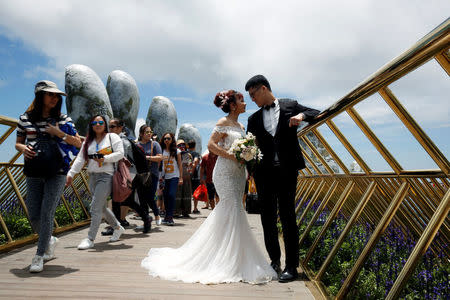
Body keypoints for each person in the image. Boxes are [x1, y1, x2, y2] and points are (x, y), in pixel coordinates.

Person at [141, 89, 276, 284]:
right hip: (224, 172)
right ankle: (225, 258)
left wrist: (248, 156)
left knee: (235, 208)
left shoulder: (240, 125)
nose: (245, 103)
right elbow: (212, 145)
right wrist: (232, 155)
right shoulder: (223, 123)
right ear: (232, 105)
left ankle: (235, 255)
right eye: (241, 100)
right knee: (231, 207)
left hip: (238, 173)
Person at [246, 75, 320, 282]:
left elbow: (316, 113)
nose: (252, 99)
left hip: (287, 172)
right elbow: (251, 148)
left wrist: (302, 117)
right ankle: (275, 261)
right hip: (263, 174)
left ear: (263, 89)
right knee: (267, 219)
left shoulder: (290, 105)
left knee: (288, 218)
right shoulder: (252, 119)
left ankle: (291, 266)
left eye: (253, 94)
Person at [15, 80, 82, 273]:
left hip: (57, 170)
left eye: (56, 95)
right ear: (40, 96)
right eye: (50, 94)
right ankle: (49, 239)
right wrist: (23, 148)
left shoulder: (63, 118)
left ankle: (39, 255)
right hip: (34, 168)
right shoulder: (25, 118)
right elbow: (18, 142)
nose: (55, 98)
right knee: (33, 213)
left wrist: (58, 132)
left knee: (47, 212)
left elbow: (78, 143)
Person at [66, 115, 126, 250]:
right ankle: (117, 227)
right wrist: (71, 174)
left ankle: (90, 238)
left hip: (106, 176)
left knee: (94, 207)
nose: (98, 124)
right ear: (91, 125)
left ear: (104, 124)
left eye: (100, 122)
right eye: (95, 122)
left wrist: (104, 158)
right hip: (92, 176)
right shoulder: (88, 140)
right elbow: (81, 159)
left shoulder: (112, 137)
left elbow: (120, 153)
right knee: (102, 207)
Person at [104, 119, 151, 234]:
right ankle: (146, 220)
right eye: (109, 127)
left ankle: (115, 227)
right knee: (127, 201)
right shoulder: (118, 140)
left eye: (113, 126)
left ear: (120, 127)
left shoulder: (122, 141)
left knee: (117, 199)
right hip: (126, 173)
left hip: (126, 173)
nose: (110, 129)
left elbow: (121, 159)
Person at [137, 125, 163, 227]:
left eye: (150, 132)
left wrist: (146, 157)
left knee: (150, 197)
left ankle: (157, 215)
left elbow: (160, 158)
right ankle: (146, 221)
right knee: (142, 199)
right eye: (146, 132)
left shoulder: (154, 144)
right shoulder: (137, 145)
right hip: (139, 175)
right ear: (141, 134)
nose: (149, 134)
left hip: (152, 174)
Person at [159, 132, 183, 225]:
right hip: (164, 177)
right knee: (165, 196)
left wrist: (181, 177)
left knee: (171, 195)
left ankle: (170, 217)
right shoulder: (161, 150)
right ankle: (166, 217)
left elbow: (180, 165)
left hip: (174, 176)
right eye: (165, 138)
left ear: (172, 139)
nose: (166, 140)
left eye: (168, 138)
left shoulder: (177, 151)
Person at [174, 139, 193, 217]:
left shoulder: (188, 155)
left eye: (183, 145)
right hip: (177, 176)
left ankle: (186, 212)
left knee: (187, 194)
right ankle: (176, 212)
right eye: (180, 145)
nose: (182, 147)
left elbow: (190, 165)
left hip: (187, 177)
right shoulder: (175, 154)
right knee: (177, 195)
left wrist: (190, 165)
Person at [187, 140, 201, 214]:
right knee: (195, 193)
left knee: (187, 192)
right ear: (195, 146)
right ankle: (195, 208)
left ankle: (187, 208)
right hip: (194, 176)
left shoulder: (186, 153)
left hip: (186, 175)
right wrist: (192, 171)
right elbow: (195, 161)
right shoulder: (195, 153)